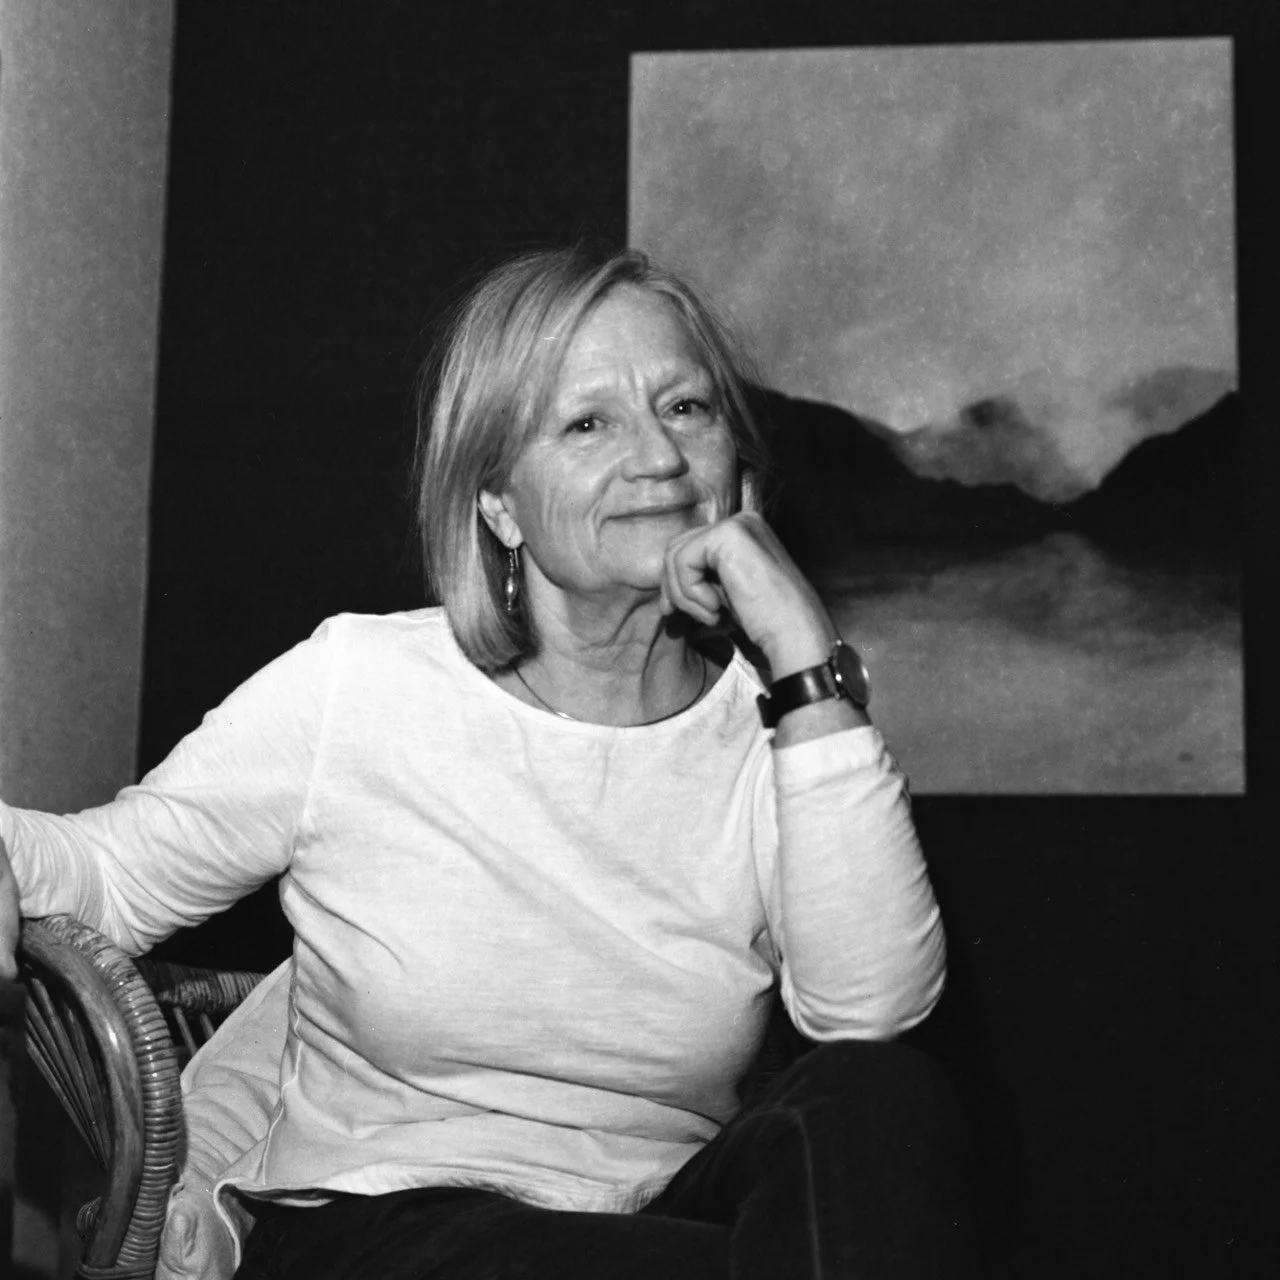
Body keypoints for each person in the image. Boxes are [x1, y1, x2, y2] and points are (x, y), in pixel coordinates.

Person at [0, 246, 973, 1278]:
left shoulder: (775, 728)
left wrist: (802, 661)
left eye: (686, 406)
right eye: (589, 421)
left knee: (876, 1096)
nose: (659, 456)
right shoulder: (362, 686)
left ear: (736, 461)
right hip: (381, 1222)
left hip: (666, 1221)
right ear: (499, 502)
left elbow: (868, 1012)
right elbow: (100, 872)